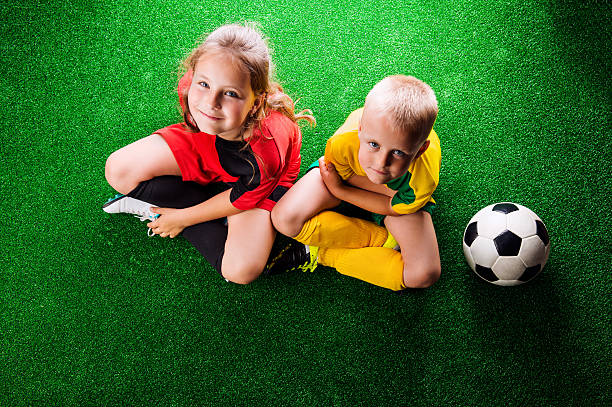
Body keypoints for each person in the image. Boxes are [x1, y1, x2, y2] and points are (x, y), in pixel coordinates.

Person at [103, 23, 314, 284]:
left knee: (240, 272)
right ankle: (191, 208)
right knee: (118, 171)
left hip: (259, 181)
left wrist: (180, 219)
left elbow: (242, 198)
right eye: (203, 83)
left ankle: (171, 209)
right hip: (210, 144)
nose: (210, 103)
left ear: (256, 102)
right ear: (194, 74)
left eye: (230, 93)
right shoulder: (196, 91)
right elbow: (201, 120)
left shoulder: (267, 151)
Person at [271, 75, 441, 291]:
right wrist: (339, 186)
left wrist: (339, 191)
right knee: (284, 218)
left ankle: (322, 253)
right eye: (373, 144)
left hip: (383, 195)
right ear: (360, 129)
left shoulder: (423, 178)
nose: (382, 163)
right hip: (357, 180)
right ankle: (380, 239)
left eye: (398, 152)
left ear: (420, 151)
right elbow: (343, 175)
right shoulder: (344, 141)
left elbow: (392, 207)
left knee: (424, 274)